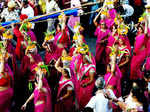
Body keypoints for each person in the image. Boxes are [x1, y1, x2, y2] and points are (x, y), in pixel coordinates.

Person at [0, 45, 14, 112]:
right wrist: (2, 60)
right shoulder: (2, 65)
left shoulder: (7, 65)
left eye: (5, 55)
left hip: (8, 95)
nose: (6, 56)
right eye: (3, 55)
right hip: (2, 96)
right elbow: (1, 71)